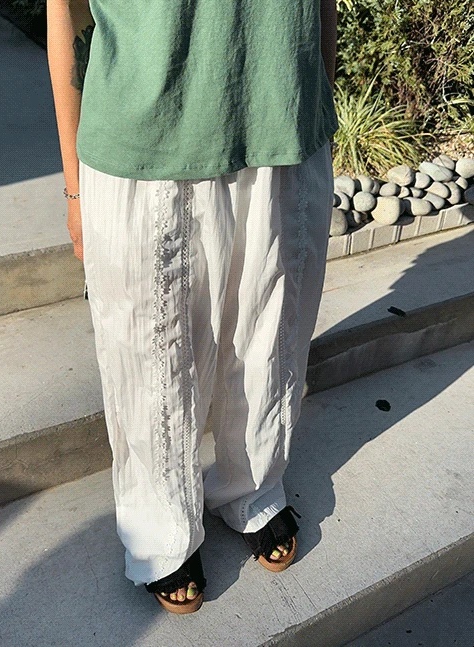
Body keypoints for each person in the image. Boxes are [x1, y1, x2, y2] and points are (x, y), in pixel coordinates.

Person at [47, 0, 338, 614]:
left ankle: (253, 486)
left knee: (271, 333)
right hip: (144, 133)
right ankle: (160, 528)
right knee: (151, 357)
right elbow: (63, 12)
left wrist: (312, 97)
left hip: (281, 112)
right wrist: (74, 184)